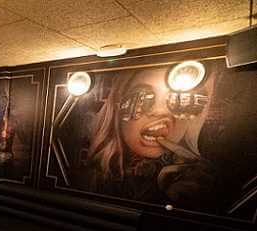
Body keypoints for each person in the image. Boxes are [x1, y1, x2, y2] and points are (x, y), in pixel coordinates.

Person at [84, 65, 218, 208]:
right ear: (117, 106)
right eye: (141, 99)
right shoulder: (87, 171)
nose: (159, 112)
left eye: (179, 101)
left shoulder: (199, 176)